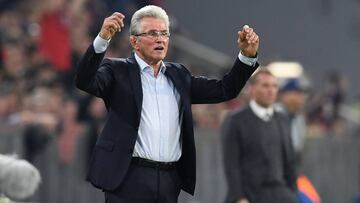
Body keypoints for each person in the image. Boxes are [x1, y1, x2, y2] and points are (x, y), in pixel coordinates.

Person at [75, 5, 259, 203]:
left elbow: (225, 89)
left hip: (168, 179)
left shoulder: (179, 75)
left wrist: (246, 57)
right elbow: (85, 80)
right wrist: (102, 40)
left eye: (164, 33)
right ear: (134, 42)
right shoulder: (117, 70)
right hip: (128, 178)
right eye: (152, 33)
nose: (160, 39)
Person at [221, 70, 297, 203]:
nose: (271, 90)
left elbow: (289, 162)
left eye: (274, 86)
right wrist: (239, 197)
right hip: (250, 195)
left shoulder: (283, 120)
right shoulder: (236, 120)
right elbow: (231, 164)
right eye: (265, 85)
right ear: (252, 88)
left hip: (281, 195)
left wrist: (292, 193)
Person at [275, 78, 307, 166]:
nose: (301, 98)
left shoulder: (299, 118)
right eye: (297, 93)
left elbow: (298, 147)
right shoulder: (273, 114)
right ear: (284, 95)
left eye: (302, 94)